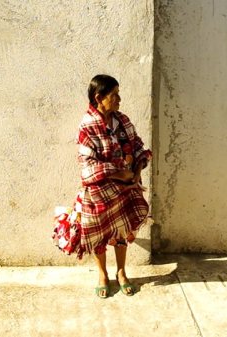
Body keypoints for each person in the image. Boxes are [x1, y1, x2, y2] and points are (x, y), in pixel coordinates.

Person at [76, 74, 152, 298]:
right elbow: (87, 165)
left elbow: (137, 145)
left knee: (122, 231)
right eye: (114, 95)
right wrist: (118, 173)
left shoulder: (122, 121)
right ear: (99, 98)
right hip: (100, 192)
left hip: (125, 189)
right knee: (99, 235)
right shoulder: (87, 127)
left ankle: (121, 272)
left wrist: (136, 172)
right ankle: (102, 274)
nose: (119, 99)